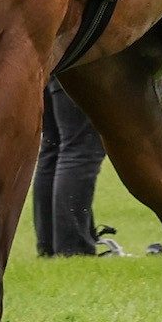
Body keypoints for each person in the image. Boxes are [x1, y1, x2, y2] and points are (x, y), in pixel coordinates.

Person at [32, 82, 112, 257]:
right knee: (81, 147)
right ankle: (74, 249)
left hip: (48, 65)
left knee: (53, 146)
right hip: (76, 63)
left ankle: (49, 246)